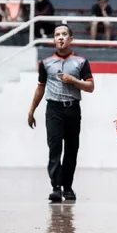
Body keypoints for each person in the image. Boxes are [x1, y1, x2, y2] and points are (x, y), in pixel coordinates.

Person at [28, 24, 95, 202]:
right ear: (54, 39)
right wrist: (31, 110)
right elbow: (40, 88)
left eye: (64, 34)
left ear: (70, 39)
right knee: (55, 148)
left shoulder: (81, 62)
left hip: (73, 108)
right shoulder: (46, 63)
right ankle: (56, 187)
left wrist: (73, 80)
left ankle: (68, 187)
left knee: (72, 150)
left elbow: (90, 87)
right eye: (57, 34)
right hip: (54, 109)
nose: (60, 37)